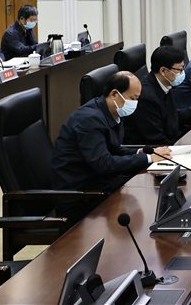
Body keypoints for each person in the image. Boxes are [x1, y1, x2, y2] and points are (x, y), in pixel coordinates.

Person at [50, 71, 172, 223]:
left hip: (98, 184)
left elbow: (114, 149)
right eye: (133, 98)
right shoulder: (89, 120)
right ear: (114, 94)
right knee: (145, 204)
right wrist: (147, 158)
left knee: (152, 192)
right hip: (81, 197)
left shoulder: (111, 113)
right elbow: (103, 163)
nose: (135, 103)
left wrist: (140, 152)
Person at [122, 46, 191, 145]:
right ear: (163, 71)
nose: (182, 73)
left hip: (170, 139)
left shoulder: (165, 84)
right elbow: (155, 138)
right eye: (179, 70)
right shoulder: (146, 96)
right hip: (154, 149)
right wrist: (182, 149)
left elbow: (174, 116)